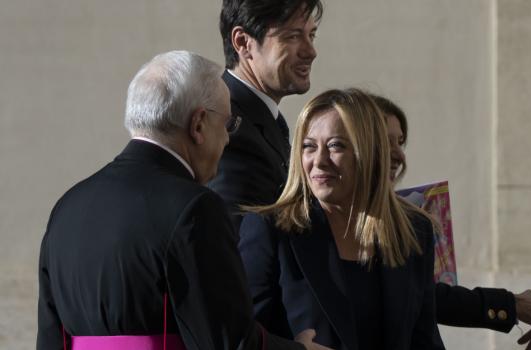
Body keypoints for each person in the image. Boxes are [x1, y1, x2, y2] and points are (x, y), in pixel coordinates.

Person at [36, 50, 330, 350]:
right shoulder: (195, 209)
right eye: (227, 125)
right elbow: (228, 343)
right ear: (199, 124)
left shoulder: (67, 206)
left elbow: (49, 339)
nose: (228, 139)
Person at [238, 88, 445, 350]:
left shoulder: (414, 230)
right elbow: (239, 338)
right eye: (309, 146)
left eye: (335, 145)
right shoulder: (272, 229)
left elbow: (424, 340)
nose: (319, 161)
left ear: (370, 151)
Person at [372, 93, 531, 349]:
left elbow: (426, 300)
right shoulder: (322, 227)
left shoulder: (415, 222)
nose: (398, 155)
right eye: (384, 141)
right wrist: (511, 304)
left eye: (400, 142)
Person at [209, 0, 322, 229]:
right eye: (292, 36)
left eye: (311, 35)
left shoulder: (257, 117)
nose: (311, 51)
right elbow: (239, 244)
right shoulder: (226, 128)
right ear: (243, 42)